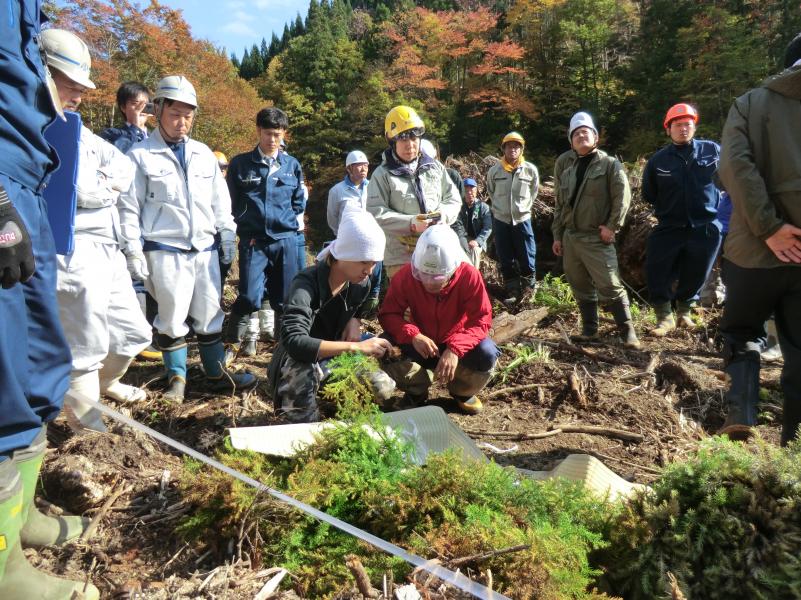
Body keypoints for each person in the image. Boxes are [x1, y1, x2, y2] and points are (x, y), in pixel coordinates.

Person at [0, 10, 99, 598]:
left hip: (29, 171)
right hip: (4, 179)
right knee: (2, 375)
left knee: (40, 364)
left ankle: (21, 517)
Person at [119, 75, 257, 402]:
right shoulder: (140, 156)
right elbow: (127, 209)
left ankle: (214, 372)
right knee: (171, 315)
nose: (182, 123)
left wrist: (226, 233)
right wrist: (133, 251)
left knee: (211, 312)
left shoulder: (203, 153)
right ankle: (176, 378)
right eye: (175, 114)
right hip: (164, 249)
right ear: (159, 110)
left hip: (204, 249)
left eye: (188, 116)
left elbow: (219, 201)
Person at [42, 29, 152, 433]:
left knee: (131, 333)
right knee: (84, 347)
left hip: (108, 248)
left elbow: (121, 168)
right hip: (70, 249)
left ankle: (102, 389)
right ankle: (88, 430)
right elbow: (82, 190)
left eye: (81, 89)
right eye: (69, 87)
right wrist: (99, 187)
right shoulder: (32, 132)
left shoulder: (77, 128)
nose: (77, 96)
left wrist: (99, 186)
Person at [716, 35, 801, 443]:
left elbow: (734, 167)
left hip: (752, 253)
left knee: (741, 330)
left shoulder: (750, 104)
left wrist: (768, 228)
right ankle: (793, 451)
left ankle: (742, 410)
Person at [269, 206, 396, 422]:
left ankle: (338, 404)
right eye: (364, 261)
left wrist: (355, 319)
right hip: (297, 362)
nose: (370, 270)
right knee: (303, 420)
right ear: (343, 254)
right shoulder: (306, 284)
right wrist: (356, 347)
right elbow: (294, 341)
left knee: (382, 387)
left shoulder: (359, 284)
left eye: (374, 263)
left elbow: (358, 304)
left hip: (335, 356)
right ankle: (299, 414)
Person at [379, 225, 500, 415]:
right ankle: (416, 390)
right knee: (384, 346)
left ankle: (462, 391)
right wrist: (413, 335)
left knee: (487, 352)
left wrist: (455, 348)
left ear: (453, 269)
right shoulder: (406, 276)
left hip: (456, 341)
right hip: (422, 345)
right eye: (423, 275)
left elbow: (481, 319)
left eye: (436, 278)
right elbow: (388, 314)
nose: (428, 282)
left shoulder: (469, 276)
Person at [224, 107, 306, 358]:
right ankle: (229, 343)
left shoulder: (291, 165)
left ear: (284, 134)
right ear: (258, 131)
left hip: (286, 240)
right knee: (249, 296)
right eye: (268, 133)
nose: (272, 140)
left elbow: (298, 202)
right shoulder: (240, 164)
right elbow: (230, 202)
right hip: (253, 241)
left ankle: (286, 350)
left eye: (277, 134)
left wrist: (287, 225)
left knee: (286, 300)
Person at [552, 112, 639, 348]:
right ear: (571, 141)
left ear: (596, 137)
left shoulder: (609, 164)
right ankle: (590, 330)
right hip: (571, 237)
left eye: (585, 132)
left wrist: (613, 227)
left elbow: (622, 196)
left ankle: (628, 332)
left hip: (596, 237)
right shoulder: (565, 166)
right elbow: (560, 204)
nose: (581, 136)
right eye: (576, 134)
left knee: (610, 284)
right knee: (578, 283)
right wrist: (557, 235)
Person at [642, 104, 722, 335]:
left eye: (687, 124)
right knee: (657, 268)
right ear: (668, 129)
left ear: (694, 126)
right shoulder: (659, 161)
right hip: (670, 225)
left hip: (705, 225)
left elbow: (730, 178)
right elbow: (649, 193)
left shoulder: (712, 151)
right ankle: (664, 317)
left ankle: (684, 313)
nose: (683, 129)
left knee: (697, 271)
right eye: (677, 125)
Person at [366, 105, 461, 279]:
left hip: (438, 249)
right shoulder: (382, 175)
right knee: (407, 304)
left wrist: (443, 215)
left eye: (414, 136)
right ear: (392, 140)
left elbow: (453, 198)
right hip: (402, 256)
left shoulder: (435, 167)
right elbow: (375, 213)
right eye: (402, 138)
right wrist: (410, 222)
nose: (410, 144)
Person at [486, 132, 539, 304]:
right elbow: (491, 192)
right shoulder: (494, 171)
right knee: (505, 256)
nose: (513, 149)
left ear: (521, 149)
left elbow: (534, 192)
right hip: (501, 221)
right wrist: (501, 210)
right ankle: (512, 290)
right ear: (504, 149)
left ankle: (529, 290)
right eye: (509, 146)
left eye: (516, 146)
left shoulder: (530, 170)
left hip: (522, 219)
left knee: (527, 255)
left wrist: (522, 210)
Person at [327, 150, 381, 314]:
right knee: (351, 274)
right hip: (348, 243)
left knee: (374, 270)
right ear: (349, 168)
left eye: (365, 165)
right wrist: (345, 238)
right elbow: (332, 217)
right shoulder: (337, 191)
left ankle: (370, 304)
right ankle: (349, 308)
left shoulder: (374, 187)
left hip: (372, 241)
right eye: (359, 165)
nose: (363, 168)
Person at [100, 81, 152, 153]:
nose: (141, 108)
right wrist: (135, 128)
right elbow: (117, 156)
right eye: (135, 103)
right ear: (123, 107)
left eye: (145, 104)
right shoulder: (111, 134)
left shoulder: (156, 138)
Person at [454, 178, 492, 269]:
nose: (469, 193)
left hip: (478, 240)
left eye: (472, 190)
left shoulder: (484, 207)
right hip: (463, 238)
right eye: (466, 191)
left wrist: (477, 241)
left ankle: (473, 276)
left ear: (476, 191)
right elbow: (458, 226)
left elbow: (488, 228)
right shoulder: (459, 207)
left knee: (474, 249)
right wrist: (463, 241)